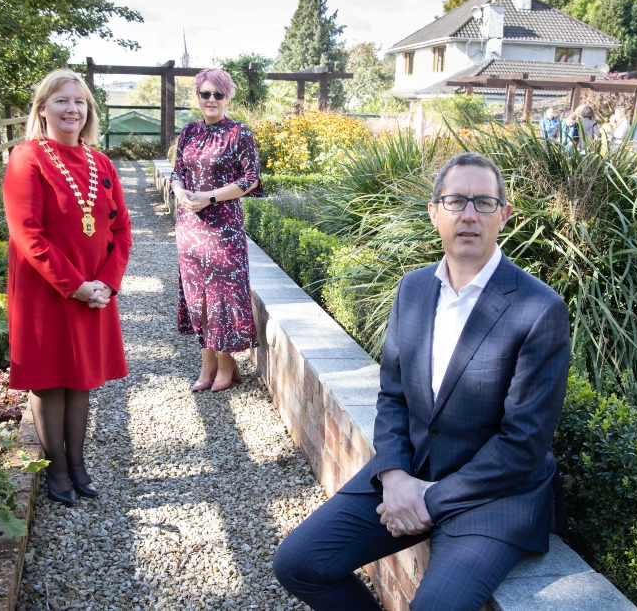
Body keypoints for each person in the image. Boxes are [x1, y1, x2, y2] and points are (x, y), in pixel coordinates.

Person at [274, 152, 571, 611]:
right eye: (455, 201)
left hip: (493, 497)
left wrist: (431, 498)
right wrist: (394, 477)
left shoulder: (539, 308)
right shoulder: (413, 289)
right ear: (435, 213)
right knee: (299, 562)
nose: (469, 214)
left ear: (505, 215)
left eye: (484, 202)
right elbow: (392, 395)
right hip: (411, 472)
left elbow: (524, 442)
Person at [3, 69, 132, 507]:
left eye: (79, 102)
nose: (72, 109)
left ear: (89, 110)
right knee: (49, 380)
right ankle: (56, 468)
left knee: (81, 380)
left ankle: (78, 465)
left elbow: (121, 229)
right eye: (61, 101)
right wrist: (75, 285)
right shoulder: (27, 158)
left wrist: (106, 286)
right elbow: (28, 234)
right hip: (47, 290)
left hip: (95, 293)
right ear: (42, 108)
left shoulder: (101, 163)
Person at [170, 68, 263, 393]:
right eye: (205, 94)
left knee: (221, 295)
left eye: (217, 94)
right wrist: (182, 194)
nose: (211, 100)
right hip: (190, 226)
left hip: (224, 228)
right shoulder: (190, 131)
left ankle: (225, 363)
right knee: (198, 297)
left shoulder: (238, 132)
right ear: (198, 97)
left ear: (228, 97)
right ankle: (207, 362)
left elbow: (250, 179)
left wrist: (209, 196)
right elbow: (177, 172)